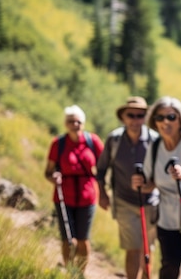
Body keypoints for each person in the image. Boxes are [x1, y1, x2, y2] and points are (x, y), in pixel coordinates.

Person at [131, 96, 181, 279]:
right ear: (154, 122)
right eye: (160, 118)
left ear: (180, 119)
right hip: (166, 220)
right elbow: (149, 184)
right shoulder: (155, 147)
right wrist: (139, 184)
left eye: (171, 117)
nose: (165, 122)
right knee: (170, 266)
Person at [96, 96, 159, 279]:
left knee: (148, 248)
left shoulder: (155, 141)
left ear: (146, 118)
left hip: (151, 202)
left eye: (140, 115)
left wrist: (150, 185)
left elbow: (162, 173)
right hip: (123, 201)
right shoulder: (114, 140)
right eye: (130, 115)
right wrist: (102, 194)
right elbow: (101, 168)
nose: (135, 119)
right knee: (133, 247)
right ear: (123, 117)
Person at [44, 105, 104, 273]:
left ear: (83, 123)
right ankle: (70, 271)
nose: (75, 124)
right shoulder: (58, 144)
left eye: (78, 121)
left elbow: (104, 166)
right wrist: (54, 178)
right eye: (71, 121)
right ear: (66, 123)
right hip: (63, 197)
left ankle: (80, 273)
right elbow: (48, 172)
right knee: (67, 239)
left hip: (87, 197)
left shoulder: (93, 142)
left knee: (83, 238)